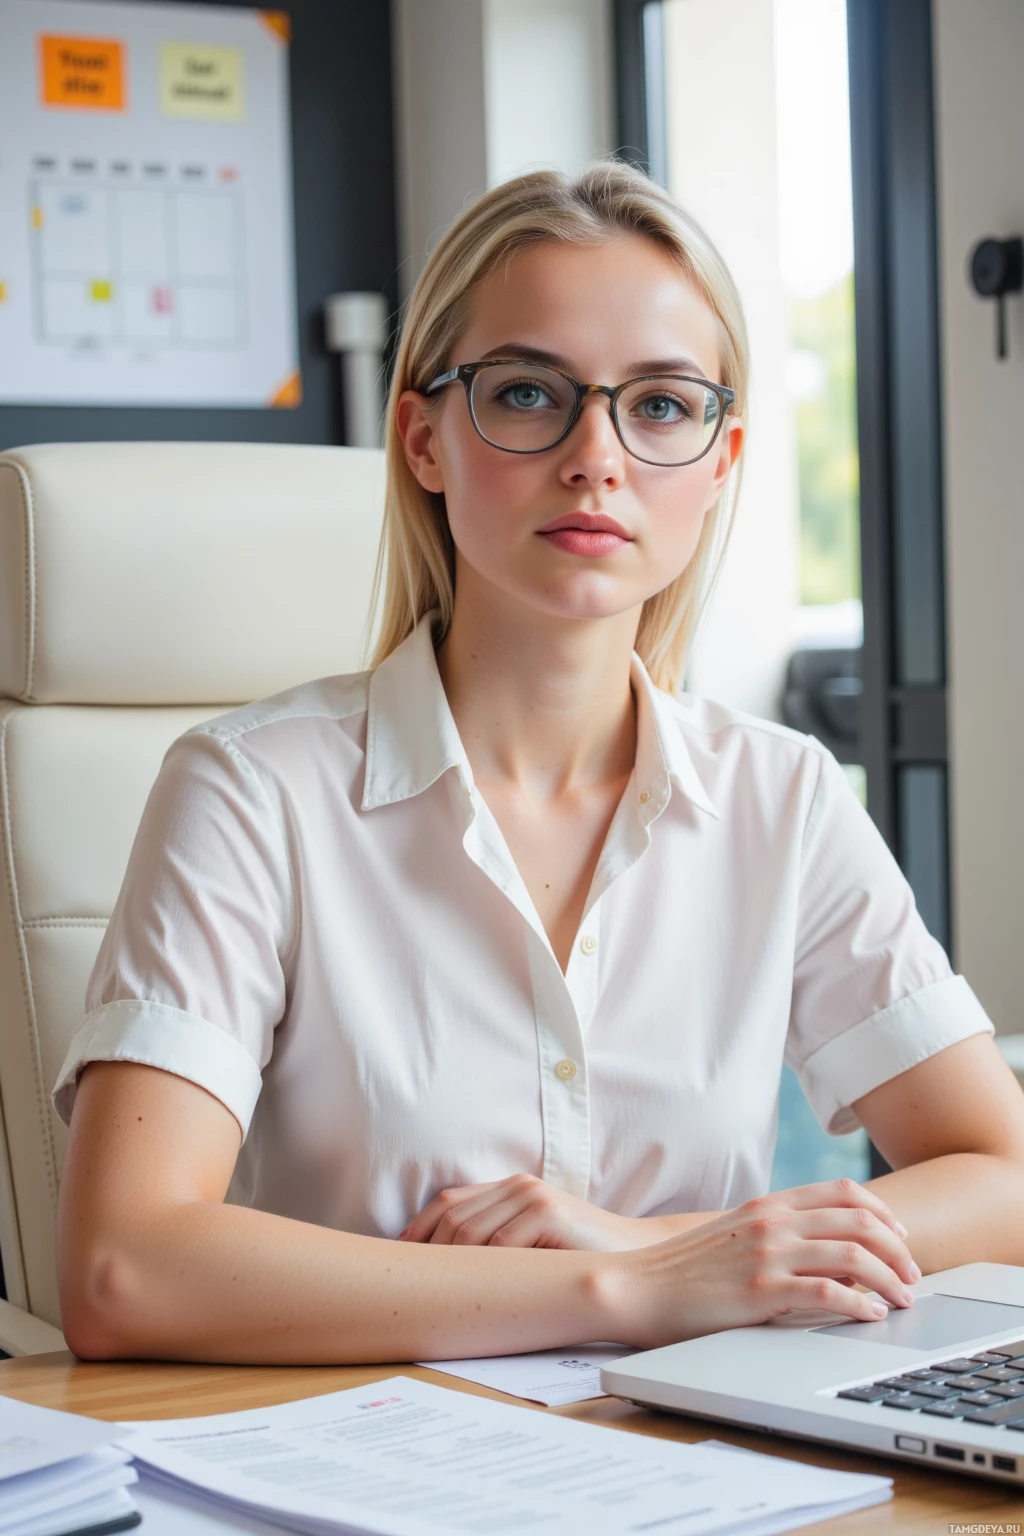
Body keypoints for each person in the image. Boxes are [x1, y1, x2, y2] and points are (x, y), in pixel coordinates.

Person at [54, 162, 1024, 1365]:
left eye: (662, 405)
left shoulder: (781, 797)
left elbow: (1007, 1180)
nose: (596, 457)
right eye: (526, 394)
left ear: (721, 464)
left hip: (714, 1465)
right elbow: (121, 1266)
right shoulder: (253, 789)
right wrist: (634, 1286)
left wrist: (673, 1247)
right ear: (422, 437)